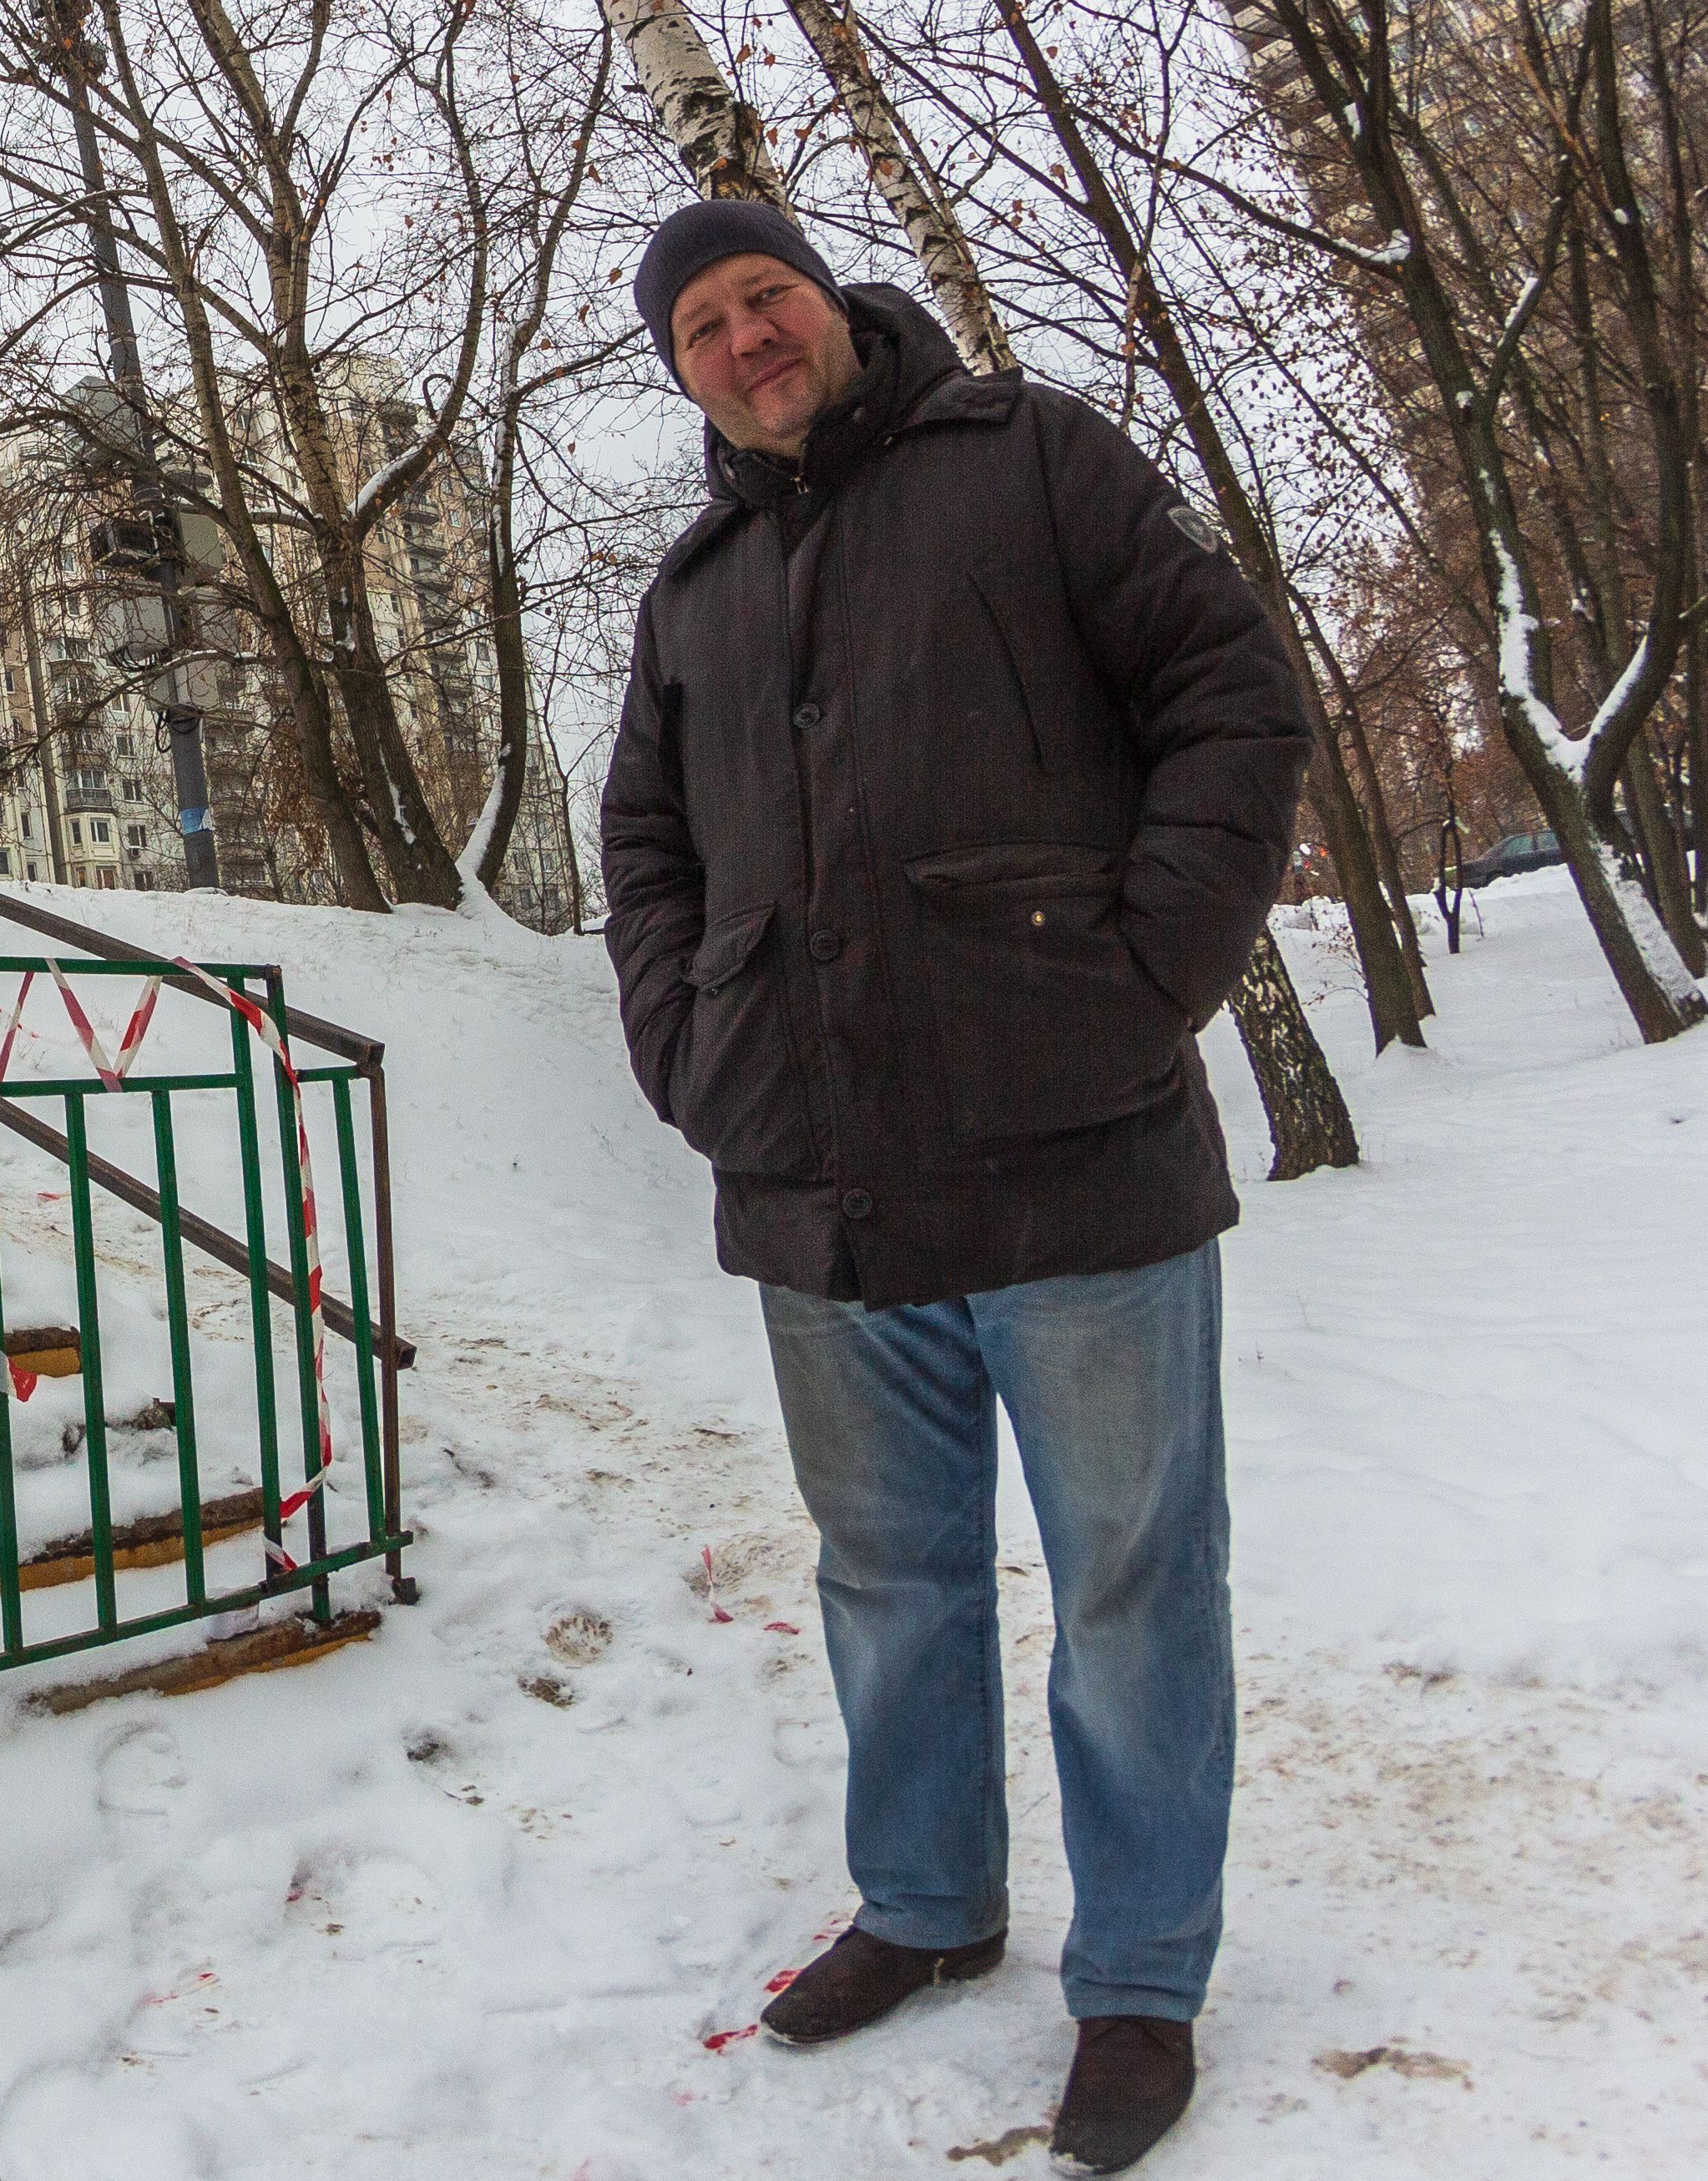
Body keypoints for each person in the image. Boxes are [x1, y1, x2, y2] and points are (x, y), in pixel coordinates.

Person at [599, 199, 1310, 2176]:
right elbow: (642, 851)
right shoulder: (698, 587)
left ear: (830, 306)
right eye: (705, 326)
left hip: (1074, 1162)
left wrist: (1140, 978)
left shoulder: (1030, 459)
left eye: (768, 298)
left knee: (1133, 1584)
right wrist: (689, 1047)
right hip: (819, 1190)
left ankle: (1143, 1972)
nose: (747, 338)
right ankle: (925, 1902)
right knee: (888, 1579)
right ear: (680, 374)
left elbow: (1231, 699)